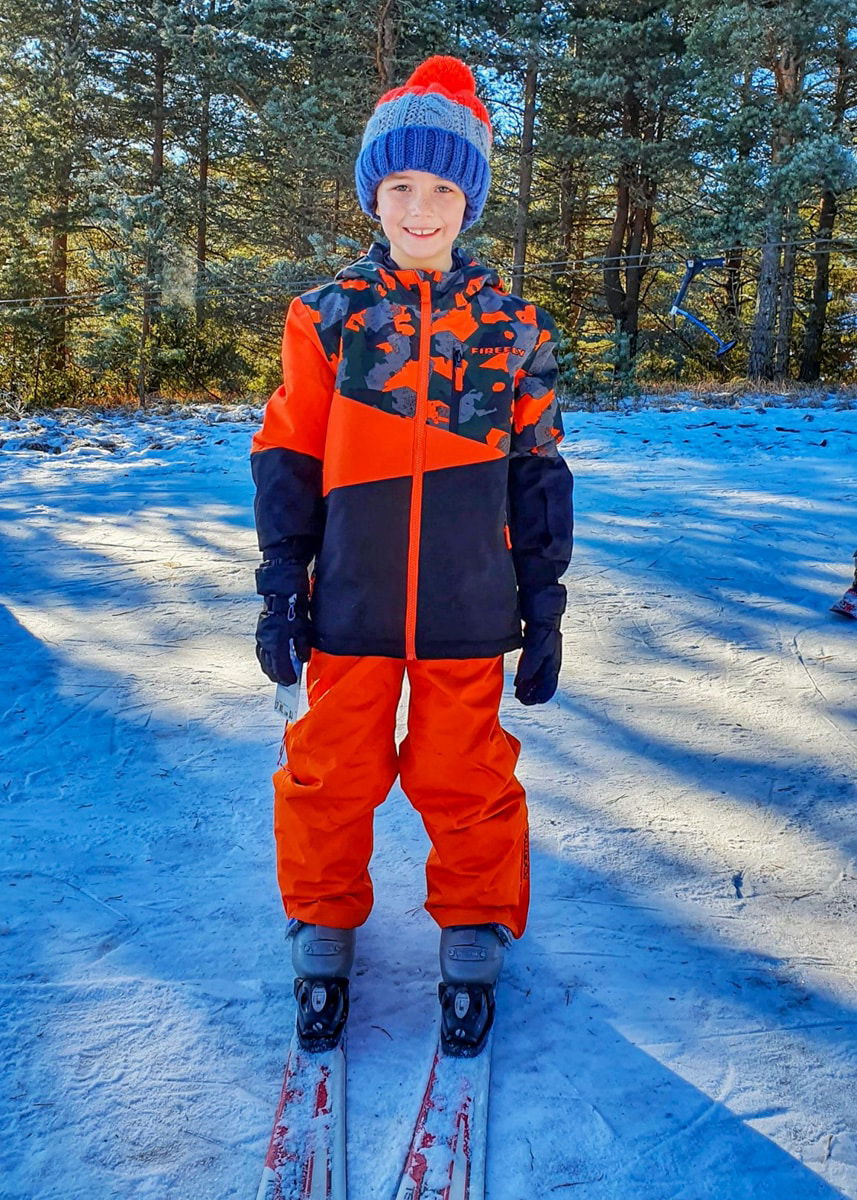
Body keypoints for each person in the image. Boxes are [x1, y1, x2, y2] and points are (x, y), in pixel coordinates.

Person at [250, 54, 573, 1055]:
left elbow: (537, 466)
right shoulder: (329, 315)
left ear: (467, 200)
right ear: (373, 194)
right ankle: (321, 926)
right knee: (328, 773)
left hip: (468, 607)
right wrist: (279, 584)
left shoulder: (513, 327)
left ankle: (472, 931)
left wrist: (543, 602)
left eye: (441, 188)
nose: (420, 208)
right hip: (349, 597)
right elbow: (289, 454)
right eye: (400, 187)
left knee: (464, 775)